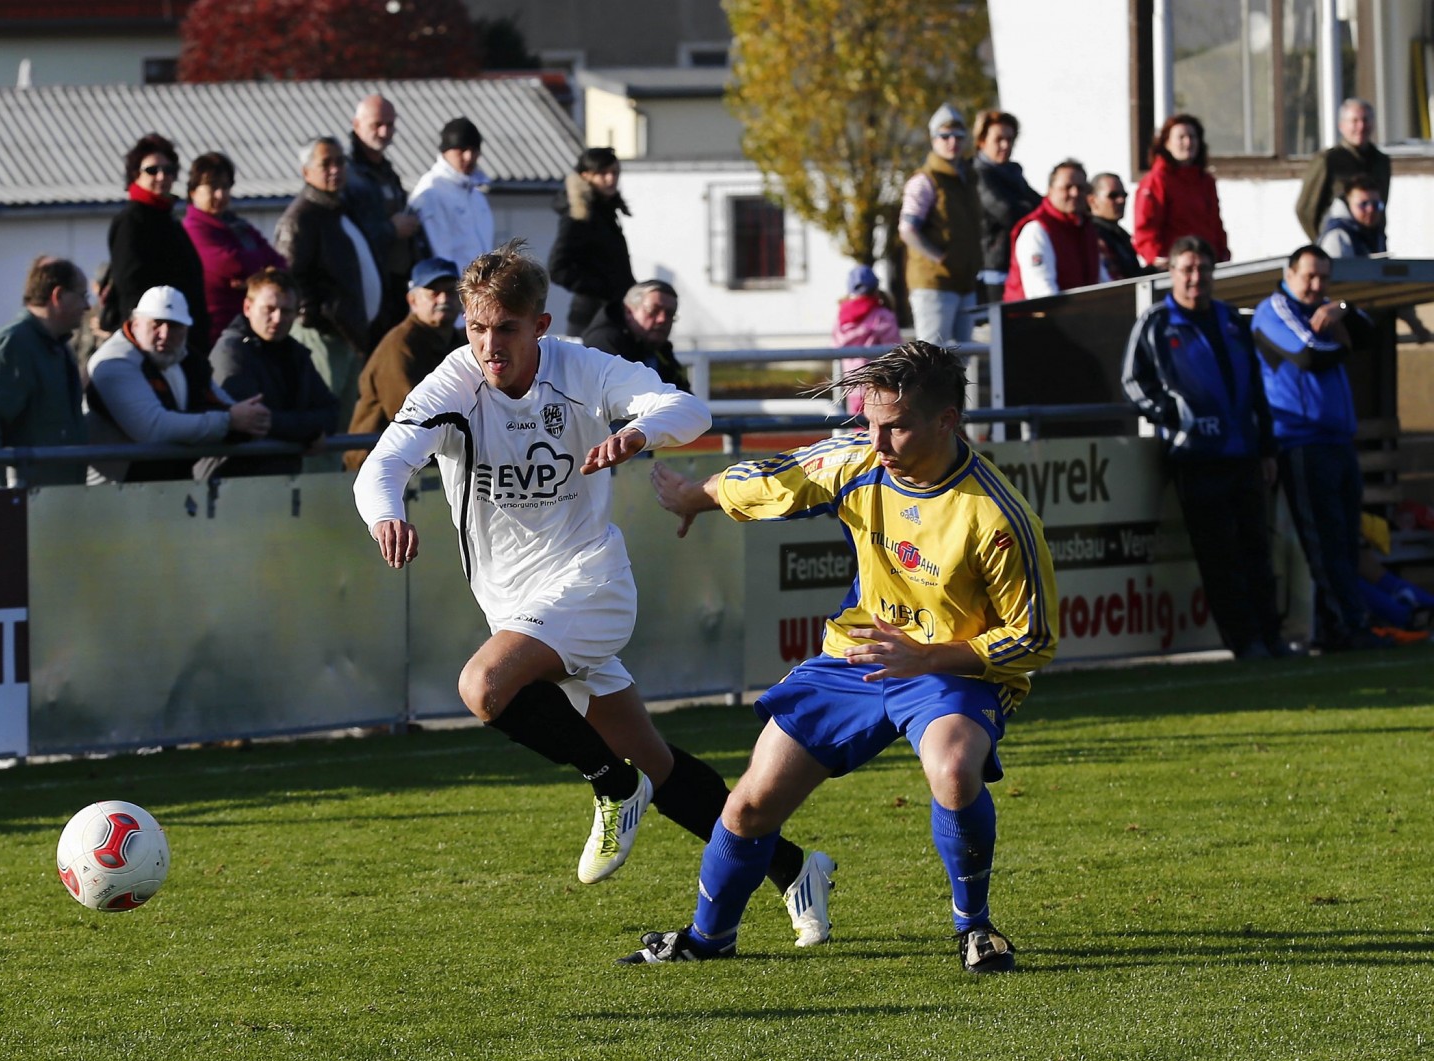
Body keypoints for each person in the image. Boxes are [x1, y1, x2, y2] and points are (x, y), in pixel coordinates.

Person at [355, 241, 835, 945]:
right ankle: (795, 866)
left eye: (508, 329)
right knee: (662, 763)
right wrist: (387, 512)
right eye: (477, 328)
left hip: (590, 584)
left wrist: (639, 431)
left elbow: (688, 409)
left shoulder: (583, 369)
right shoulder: (453, 386)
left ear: (540, 325)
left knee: (485, 686)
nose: (491, 346)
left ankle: (612, 786)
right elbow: (382, 465)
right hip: (518, 607)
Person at [622, 340, 1058, 971]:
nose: (878, 442)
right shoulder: (860, 462)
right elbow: (776, 480)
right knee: (748, 804)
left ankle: (975, 929)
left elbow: (1033, 638)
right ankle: (707, 938)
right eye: (871, 424)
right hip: (856, 657)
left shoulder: (996, 515)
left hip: (949, 669)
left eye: (898, 427)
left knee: (956, 769)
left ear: (947, 421)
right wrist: (698, 495)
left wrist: (930, 657)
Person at [1122, 236, 1285, 659]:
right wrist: (1174, 416)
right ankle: (1244, 642)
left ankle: (1272, 637)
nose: (1196, 278)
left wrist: (1266, 448)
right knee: (1220, 558)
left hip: (1244, 454)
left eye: (1204, 269)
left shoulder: (1233, 321)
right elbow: (1134, 382)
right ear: (1172, 273)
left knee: (1257, 552)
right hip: (1196, 458)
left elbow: (1257, 391)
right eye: (1187, 269)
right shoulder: (1156, 322)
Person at [1251, 245, 1386, 651]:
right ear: (1288, 274)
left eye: (1324, 278)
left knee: (1346, 539)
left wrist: (1341, 307)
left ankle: (1338, 626)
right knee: (1324, 542)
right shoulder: (1273, 310)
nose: (1316, 286)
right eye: (1309, 276)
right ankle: (1348, 626)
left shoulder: (1328, 306)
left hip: (1338, 441)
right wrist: (1340, 341)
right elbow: (1309, 355)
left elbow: (1368, 333)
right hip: (1302, 442)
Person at [85, 285, 271, 484]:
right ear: (136, 323)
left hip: (166, 487)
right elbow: (152, 427)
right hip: (111, 493)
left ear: (186, 329)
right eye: (156, 324)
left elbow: (223, 404)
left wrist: (250, 417)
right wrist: (229, 421)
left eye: (174, 326)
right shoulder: (115, 361)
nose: (165, 335)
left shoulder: (188, 360)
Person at [0, 255, 90, 488]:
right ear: (57, 296)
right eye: (82, 296)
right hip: (22, 501)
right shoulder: (14, 345)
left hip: (51, 498)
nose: (87, 306)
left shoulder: (56, 348)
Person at [275, 136, 381, 431]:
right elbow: (291, 277)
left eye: (340, 161)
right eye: (326, 163)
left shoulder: (335, 210)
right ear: (306, 172)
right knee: (322, 430)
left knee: (344, 426)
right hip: (320, 338)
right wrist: (318, 315)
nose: (335, 169)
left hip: (345, 337)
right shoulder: (301, 218)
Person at [210, 267, 339, 478]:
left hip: (280, 481)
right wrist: (308, 430)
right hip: (231, 481)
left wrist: (298, 428)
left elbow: (331, 412)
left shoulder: (296, 353)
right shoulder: (231, 351)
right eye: (269, 309)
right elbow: (254, 422)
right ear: (248, 307)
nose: (278, 318)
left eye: (287, 311)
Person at [343, 256, 465, 471]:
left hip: (430, 459)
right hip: (382, 469)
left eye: (451, 291)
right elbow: (411, 416)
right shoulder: (400, 345)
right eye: (434, 292)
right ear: (413, 301)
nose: (444, 298)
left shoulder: (461, 342)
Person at [104, 133, 211, 354]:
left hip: (180, 338)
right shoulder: (131, 221)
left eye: (169, 170)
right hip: (155, 343)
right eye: (152, 170)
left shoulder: (167, 219)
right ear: (135, 175)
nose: (162, 176)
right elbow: (132, 288)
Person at [182, 151, 287, 343]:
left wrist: (253, 279)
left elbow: (279, 262)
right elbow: (232, 264)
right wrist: (262, 274)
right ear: (193, 191)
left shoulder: (239, 226)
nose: (220, 195)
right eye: (213, 187)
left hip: (248, 330)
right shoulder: (193, 229)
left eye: (225, 187)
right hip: (215, 334)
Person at [900, 104, 983, 346]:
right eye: (944, 136)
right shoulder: (924, 181)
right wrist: (940, 258)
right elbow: (907, 230)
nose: (952, 142)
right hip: (934, 284)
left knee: (962, 358)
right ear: (933, 139)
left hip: (964, 281)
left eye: (958, 136)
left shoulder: (968, 179)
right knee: (931, 356)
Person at [345, 93, 424, 342]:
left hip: (397, 286)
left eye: (390, 125)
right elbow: (349, 235)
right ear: (356, 125)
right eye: (376, 124)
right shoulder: (348, 177)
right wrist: (391, 230)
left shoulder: (387, 172)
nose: (384, 131)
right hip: (369, 290)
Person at [1316, 175, 1433, 342]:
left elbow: (1390, 285)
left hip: (1372, 323)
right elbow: (1334, 295)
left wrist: (1416, 326)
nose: (1371, 210)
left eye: (1376, 205)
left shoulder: (1374, 234)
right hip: (1345, 329)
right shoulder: (1338, 237)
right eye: (1363, 205)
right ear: (1348, 204)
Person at [547, 147, 636, 337]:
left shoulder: (605, 212)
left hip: (612, 313)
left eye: (614, 173)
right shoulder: (579, 216)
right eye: (602, 173)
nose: (610, 179)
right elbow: (557, 269)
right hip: (591, 319)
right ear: (585, 176)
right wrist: (604, 288)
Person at [1132, 115, 1229, 269]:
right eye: (1181, 137)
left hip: (1207, 265)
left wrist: (1222, 253)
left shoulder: (1205, 181)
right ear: (1167, 143)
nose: (1188, 143)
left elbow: (1215, 224)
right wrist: (1157, 258)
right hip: (1174, 268)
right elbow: (1145, 228)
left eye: (1192, 137)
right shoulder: (1156, 181)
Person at [408, 117, 495, 282]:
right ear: (445, 152)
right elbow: (439, 254)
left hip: (479, 293)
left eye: (474, 150)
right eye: (461, 150)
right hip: (449, 293)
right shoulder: (431, 191)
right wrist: (452, 292)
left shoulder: (477, 196)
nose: (469, 157)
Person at [1004, 160, 1101, 301]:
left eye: (1080, 188)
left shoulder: (1086, 229)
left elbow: (1101, 280)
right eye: (1067, 187)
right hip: (1034, 319)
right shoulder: (1036, 230)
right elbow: (1042, 294)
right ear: (1050, 190)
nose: (1075, 193)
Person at [1296, 99, 1390, 241]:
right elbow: (1305, 209)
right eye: (1354, 121)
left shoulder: (1381, 161)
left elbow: (1381, 206)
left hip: (1373, 243)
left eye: (1365, 120)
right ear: (1342, 126)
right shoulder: (1327, 160)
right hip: (1341, 243)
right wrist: (1323, 241)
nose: (1361, 126)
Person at [972, 110, 1041, 304]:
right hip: (994, 267)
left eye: (1010, 139)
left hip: (1016, 261)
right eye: (999, 139)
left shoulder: (1013, 173)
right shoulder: (978, 174)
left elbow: (1040, 204)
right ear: (982, 141)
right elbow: (1007, 211)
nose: (1006, 145)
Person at [580, 279, 689, 390]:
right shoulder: (605, 341)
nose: (662, 319)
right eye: (654, 310)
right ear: (629, 311)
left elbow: (685, 393)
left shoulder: (659, 347)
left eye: (670, 314)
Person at [831, 264, 900, 415]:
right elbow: (896, 350)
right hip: (880, 385)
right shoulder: (882, 315)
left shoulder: (841, 316)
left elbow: (835, 343)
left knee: (858, 431)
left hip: (852, 385)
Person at [1089, 172, 1145, 281]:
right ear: (1092, 200)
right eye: (1113, 196)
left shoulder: (1119, 234)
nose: (1121, 200)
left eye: (1124, 195)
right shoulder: (1092, 236)